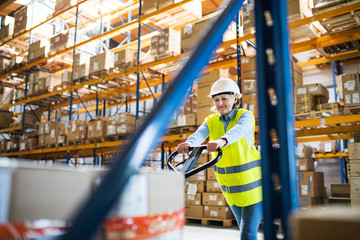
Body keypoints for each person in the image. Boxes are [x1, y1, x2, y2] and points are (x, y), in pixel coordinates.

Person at [177, 78, 262, 240]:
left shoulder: (245, 116)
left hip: (254, 189)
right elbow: (199, 134)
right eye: (216, 99)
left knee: (247, 234)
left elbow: (238, 131)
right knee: (245, 233)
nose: (220, 103)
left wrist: (221, 141)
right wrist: (189, 143)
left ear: (235, 98)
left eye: (224, 98)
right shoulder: (211, 120)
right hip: (232, 190)